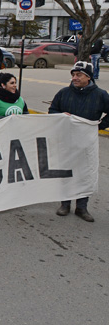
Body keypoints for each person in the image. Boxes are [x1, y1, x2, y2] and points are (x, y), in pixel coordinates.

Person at [49, 61, 109, 222]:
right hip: (66, 141)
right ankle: (65, 204)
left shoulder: (101, 95)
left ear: (88, 77)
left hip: (86, 143)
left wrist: (98, 126)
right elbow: (53, 110)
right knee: (66, 171)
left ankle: (82, 207)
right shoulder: (64, 93)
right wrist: (61, 116)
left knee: (85, 173)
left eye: (79, 75)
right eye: (73, 75)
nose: (75, 78)